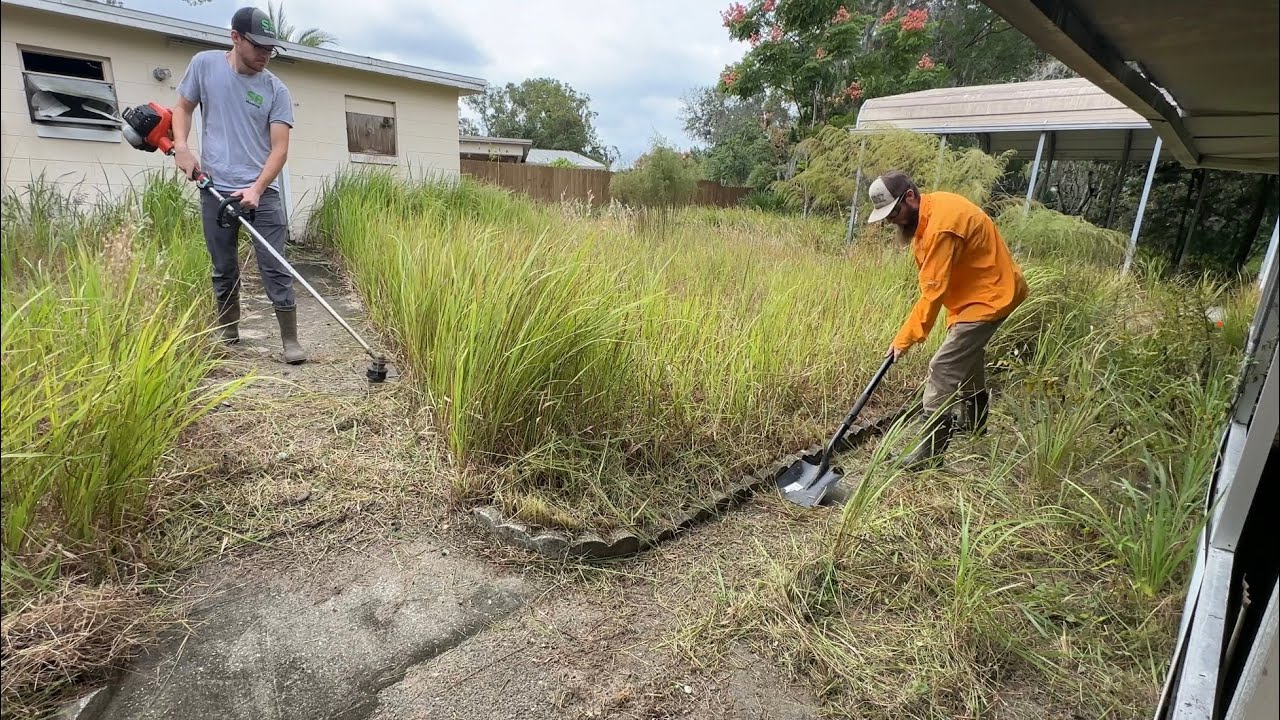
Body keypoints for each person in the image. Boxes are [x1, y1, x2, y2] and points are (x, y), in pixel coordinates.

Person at [866, 170, 1029, 468]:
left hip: (990, 296)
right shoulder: (933, 211)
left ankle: (930, 455)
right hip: (974, 296)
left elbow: (932, 293)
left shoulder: (942, 226)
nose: (891, 221)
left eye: (894, 213)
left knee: (943, 367)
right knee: (967, 359)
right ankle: (976, 426)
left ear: (911, 197)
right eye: (886, 216)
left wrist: (904, 340)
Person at [171, 6, 305, 364]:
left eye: (270, 49)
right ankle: (229, 329)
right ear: (235, 37)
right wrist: (181, 147)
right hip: (215, 187)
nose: (265, 55)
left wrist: (257, 189)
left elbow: (280, 149)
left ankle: (290, 340)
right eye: (258, 46)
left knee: (275, 265)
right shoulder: (204, 65)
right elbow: (182, 108)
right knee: (223, 266)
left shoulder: (276, 89)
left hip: (262, 192)